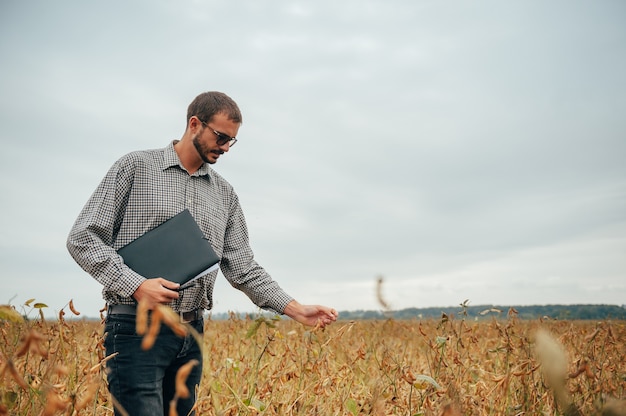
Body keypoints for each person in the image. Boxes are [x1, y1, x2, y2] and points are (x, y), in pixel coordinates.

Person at [66, 91, 339, 416]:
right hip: (134, 330)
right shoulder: (135, 167)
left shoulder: (225, 193)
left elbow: (243, 267)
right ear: (194, 124)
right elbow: (83, 237)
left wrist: (295, 309)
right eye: (221, 137)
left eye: (231, 142)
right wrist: (136, 284)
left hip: (190, 333)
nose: (225, 147)